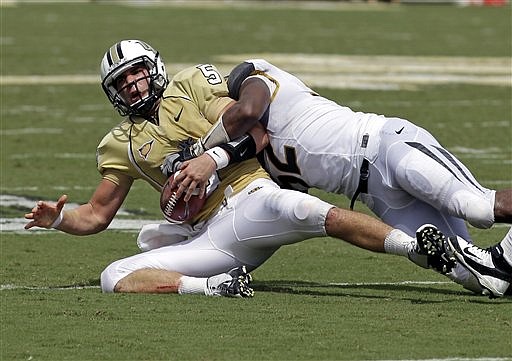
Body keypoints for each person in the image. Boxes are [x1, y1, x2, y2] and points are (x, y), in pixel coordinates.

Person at [24, 40, 451, 297]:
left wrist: (210, 157)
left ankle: (419, 247)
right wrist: (59, 218)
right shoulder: (120, 143)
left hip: (253, 195)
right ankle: (215, 288)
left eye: (136, 73)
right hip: (210, 233)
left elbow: (255, 131)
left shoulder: (191, 83)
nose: (133, 85)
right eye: (122, 82)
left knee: (309, 211)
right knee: (113, 276)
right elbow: (96, 215)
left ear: (152, 67)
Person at [171, 59, 512, 298]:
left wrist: (205, 150)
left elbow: (247, 111)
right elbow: (281, 208)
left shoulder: (254, 78)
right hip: (374, 194)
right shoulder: (254, 149)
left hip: (385, 144)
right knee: (477, 276)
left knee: (478, 207)